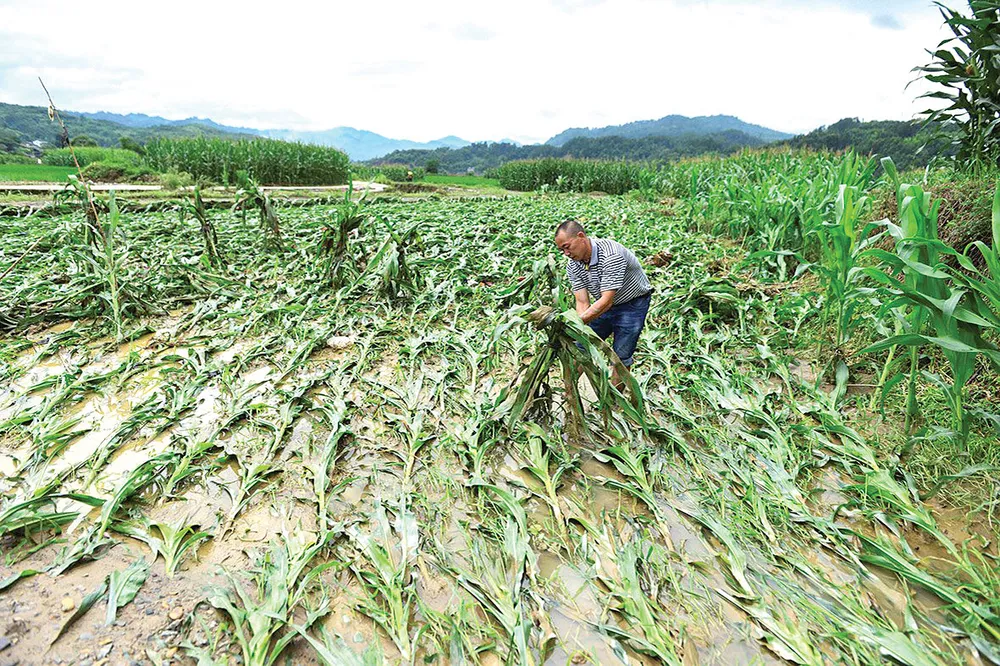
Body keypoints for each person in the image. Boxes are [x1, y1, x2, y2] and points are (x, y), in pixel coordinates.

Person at [553, 219, 652, 390]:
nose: (566, 253)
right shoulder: (573, 264)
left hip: (632, 305)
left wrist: (575, 324)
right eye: (561, 249)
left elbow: (606, 301)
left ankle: (614, 401)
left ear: (581, 236)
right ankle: (571, 394)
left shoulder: (611, 255)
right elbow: (582, 301)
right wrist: (578, 327)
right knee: (580, 347)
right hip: (603, 304)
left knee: (620, 356)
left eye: (567, 247)